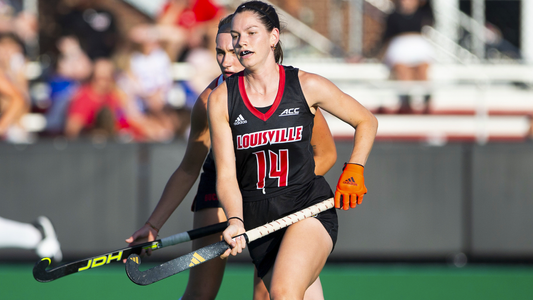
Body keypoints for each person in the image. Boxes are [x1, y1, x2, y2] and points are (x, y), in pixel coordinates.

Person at [126, 14, 337, 300]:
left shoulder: (292, 91)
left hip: (276, 195)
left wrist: (281, 194)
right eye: (220, 52)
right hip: (220, 188)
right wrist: (153, 225)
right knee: (201, 293)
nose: (226, 62)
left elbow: (325, 155)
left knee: (270, 292)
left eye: (234, 52)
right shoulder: (209, 100)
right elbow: (189, 168)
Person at [207, 1, 377, 299]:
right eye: (236, 35)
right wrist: (235, 219)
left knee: (284, 292)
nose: (241, 41)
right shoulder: (221, 99)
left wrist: (355, 168)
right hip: (259, 218)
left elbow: (366, 120)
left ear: (274, 37)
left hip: (306, 208)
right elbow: (226, 175)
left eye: (251, 32)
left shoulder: (306, 85)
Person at [381, 0, 434, 114]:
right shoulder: (393, 16)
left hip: (417, 47)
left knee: (422, 69)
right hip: (400, 48)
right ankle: (407, 101)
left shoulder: (423, 13)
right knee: (403, 71)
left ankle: (426, 98)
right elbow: (385, 37)